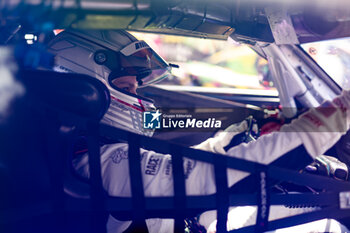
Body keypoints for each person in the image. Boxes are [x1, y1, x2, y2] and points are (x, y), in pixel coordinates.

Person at [47, 29, 350, 232]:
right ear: (84, 88)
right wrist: (337, 115)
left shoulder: (87, 146)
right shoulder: (105, 161)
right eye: (126, 86)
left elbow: (174, 175)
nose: (136, 97)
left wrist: (222, 145)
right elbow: (210, 181)